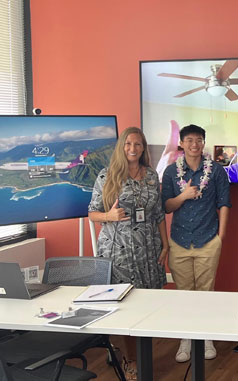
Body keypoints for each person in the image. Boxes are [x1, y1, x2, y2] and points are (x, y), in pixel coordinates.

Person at [88, 127, 168, 380]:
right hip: (118, 252)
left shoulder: (152, 176)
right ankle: (131, 358)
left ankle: (136, 349)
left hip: (148, 248)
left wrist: (165, 245)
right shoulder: (107, 175)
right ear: (121, 147)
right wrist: (109, 216)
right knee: (125, 304)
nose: (133, 149)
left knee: (147, 302)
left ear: (143, 148)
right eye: (128, 144)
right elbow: (92, 213)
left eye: (138, 144)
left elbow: (158, 215)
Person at [161, 124, 231, 363]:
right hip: (179, 240)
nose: (194, 144)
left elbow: (224, 203)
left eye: (199, 140)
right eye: (189, 139)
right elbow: (166, 206)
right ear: (181, 143)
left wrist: (220, 237)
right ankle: (185, 339)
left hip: (208, 239)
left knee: (205, 293)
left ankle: (207, 338)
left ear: (203, 143)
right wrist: (183, 196)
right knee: (184, 294)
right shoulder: (171, 172)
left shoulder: (216, 171)